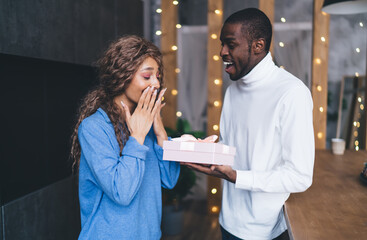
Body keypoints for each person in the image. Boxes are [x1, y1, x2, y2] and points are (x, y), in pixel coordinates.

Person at [183, 8, 315, 240]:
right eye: (222, 44)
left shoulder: (292, 93)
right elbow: (233, 147)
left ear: (258, 45)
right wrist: (208, 152)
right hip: (227, 222)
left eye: (230, 44)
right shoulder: (233, 91)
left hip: (265, 231)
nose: (222, 52)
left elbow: (300, 177)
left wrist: (236, 177)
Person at [70, 35, 180, 240]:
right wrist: (137, 137)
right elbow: (122, 192)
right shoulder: (93, 128)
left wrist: (160, 133)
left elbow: (169, 180)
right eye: (147, 77)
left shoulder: (146, 126)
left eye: (157, 76)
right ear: (122, 76)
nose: (156, 83)